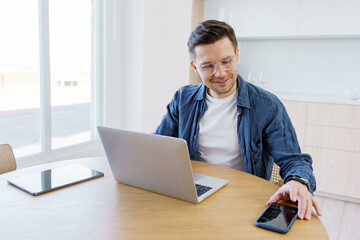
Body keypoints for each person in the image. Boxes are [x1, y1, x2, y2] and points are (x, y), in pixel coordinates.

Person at [155, 19, 322, 220]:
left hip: (242, 199)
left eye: (227, 61)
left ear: (237, 55)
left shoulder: (267, 105)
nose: (220, 73)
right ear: (194, 66)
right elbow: (159, 146)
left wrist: (298, 182)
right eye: (208, 66)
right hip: (193, 195)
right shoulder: (183, 99)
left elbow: (294, 160)